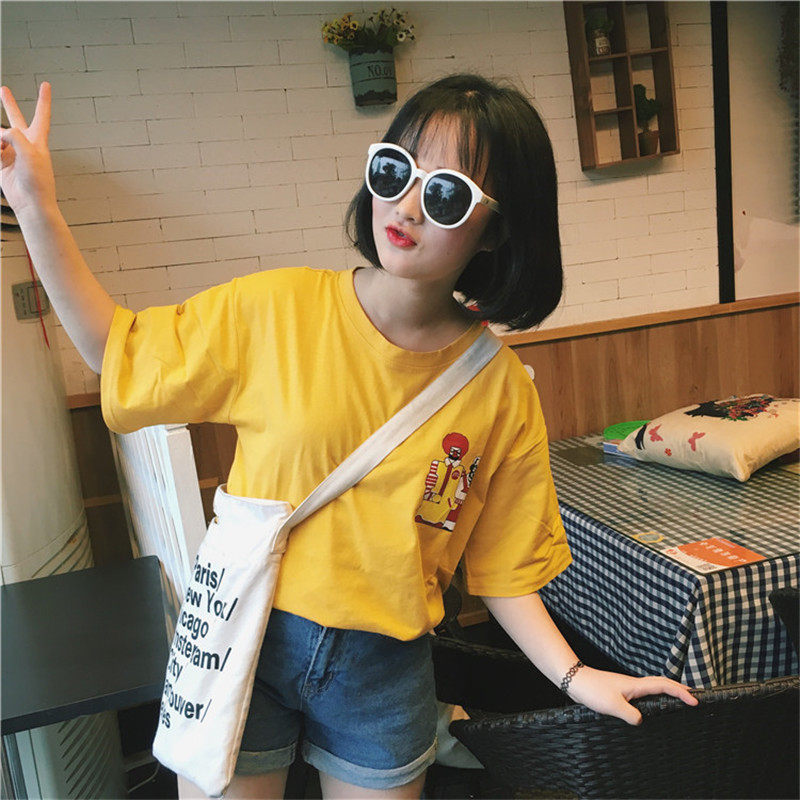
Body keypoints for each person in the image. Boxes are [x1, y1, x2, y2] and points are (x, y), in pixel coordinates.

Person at [0, 74, 697, 800]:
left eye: (447, 194)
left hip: (384, 670)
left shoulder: (499, 390)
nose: (407, 206)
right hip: (245, 637)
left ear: (495, 229)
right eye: (395, 171)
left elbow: (504, 569)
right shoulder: (277, 310)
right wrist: (35, 205)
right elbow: (116, 350)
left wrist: (576, 677)